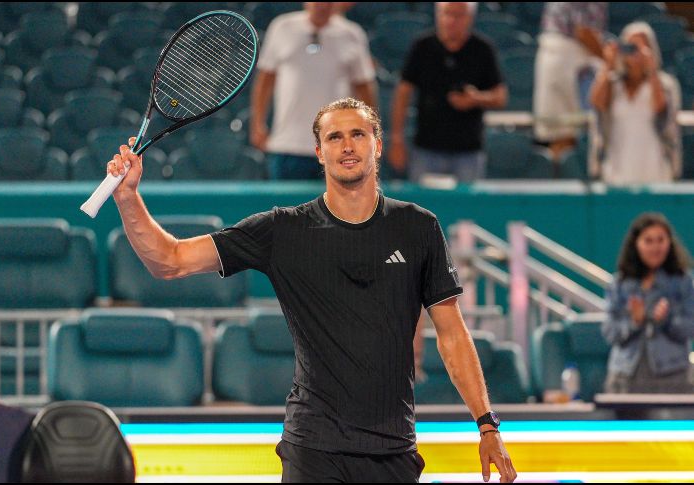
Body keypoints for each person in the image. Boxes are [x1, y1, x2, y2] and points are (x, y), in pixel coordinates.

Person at [107, 98, 516, 483]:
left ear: (377, 145)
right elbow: (170, 260)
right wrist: (128, 199)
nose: (347, 145)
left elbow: (452, 334)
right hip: (313, 449)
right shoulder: (281, 230)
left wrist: (486, 423)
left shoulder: (419, 228)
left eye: (358, 134)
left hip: (394, 449)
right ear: (319, 153)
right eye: (334, 137)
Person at [249, 2, 377, 180]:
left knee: (337, 208)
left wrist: (369, 131)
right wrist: (257, 123)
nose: (322, 6)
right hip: (287, 145)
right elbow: (265, 80)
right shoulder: (282, 27)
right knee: (288, 208)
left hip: (338, 149)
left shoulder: (352, 34)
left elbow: (364, 88)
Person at [388, 2, 507, 183]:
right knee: (422, 209)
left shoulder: (483, 49)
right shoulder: (422, 47)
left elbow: (500, 96)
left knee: (468, 209)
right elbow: (403, 93)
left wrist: (476, 99)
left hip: (468, 151)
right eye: (447, 14)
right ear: (438, 15)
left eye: (458, 15)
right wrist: (397, 139)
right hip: (427, 149)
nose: (451, 21)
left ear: (469, 18)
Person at [602, 213, 694, 394]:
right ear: (636, 244)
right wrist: (634, 321)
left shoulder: (683, 281)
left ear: (670, 242)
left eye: (661, 240)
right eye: (648, 241)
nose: (655, 247)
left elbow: (690, 327)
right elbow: (609, 331)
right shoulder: (620, 283)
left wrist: (667, 319)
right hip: (625, 375)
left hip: (672, 375)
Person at [588, 21, 681, 186]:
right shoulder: (612, 82)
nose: (635, 53)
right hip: (617, 165)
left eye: (641, 47)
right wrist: (609, 65)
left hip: (654, 165)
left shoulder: (665, 84)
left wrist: (651, 70)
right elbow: (596, 103)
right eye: (631, 46)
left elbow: (661, 111)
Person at [533, 2, 607, 160]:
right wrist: (609, 62)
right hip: (566, 58)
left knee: (567, 134)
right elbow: (583, 32)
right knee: (564, 135)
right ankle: (561, 181)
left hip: (566, 58)